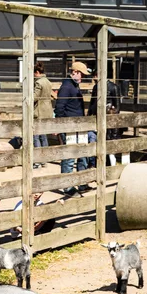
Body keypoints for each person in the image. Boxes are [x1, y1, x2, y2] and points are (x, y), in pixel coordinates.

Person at [55, 61, 92, 197]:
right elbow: (59, 107)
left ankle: (81, 183)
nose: (82, 77)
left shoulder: (73, 86)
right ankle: (67, 186)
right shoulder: (67, 87)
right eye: (81, 74)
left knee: (81, 154)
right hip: (69, 126)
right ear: (75, 72)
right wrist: (60, 125)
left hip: (77, 125)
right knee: (69, 156)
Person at [88, 70, 122, 168]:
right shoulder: (96, 87)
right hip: (96, 119)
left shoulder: (113, 87)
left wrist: (111, 116)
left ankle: (111, 166)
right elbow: (92, 103)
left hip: (109, 120)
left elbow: (117, 107)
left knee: (109, 145)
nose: (94, 79)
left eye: (95, 76)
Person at [33, 61, 55, 168]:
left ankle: (37, 160)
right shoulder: (48, 82)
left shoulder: (38, 83)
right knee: (44, 136)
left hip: (39, 111)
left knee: (36, 136)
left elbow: (35, 97)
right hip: (47, 111)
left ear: (37, 72)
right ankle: (44, 159)